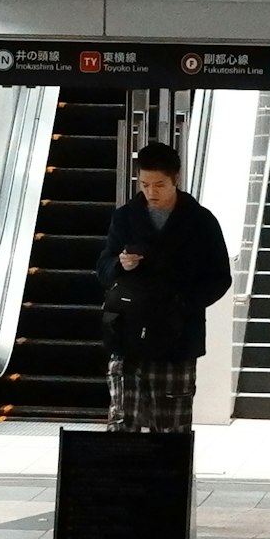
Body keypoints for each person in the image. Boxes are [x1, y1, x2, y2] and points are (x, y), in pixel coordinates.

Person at [97, 138, 232, 437]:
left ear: (175, 180)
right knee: (122, 423)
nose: (150, 192)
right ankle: (119, 483)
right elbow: (103, 268)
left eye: (159, 185)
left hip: (176, 335)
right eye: (144, 184)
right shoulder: (126, 217)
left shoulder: (201, 222)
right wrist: (121, 265)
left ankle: (167, 483)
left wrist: (183, 303)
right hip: (128, 332)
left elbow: (220, 277)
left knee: (172, 429)